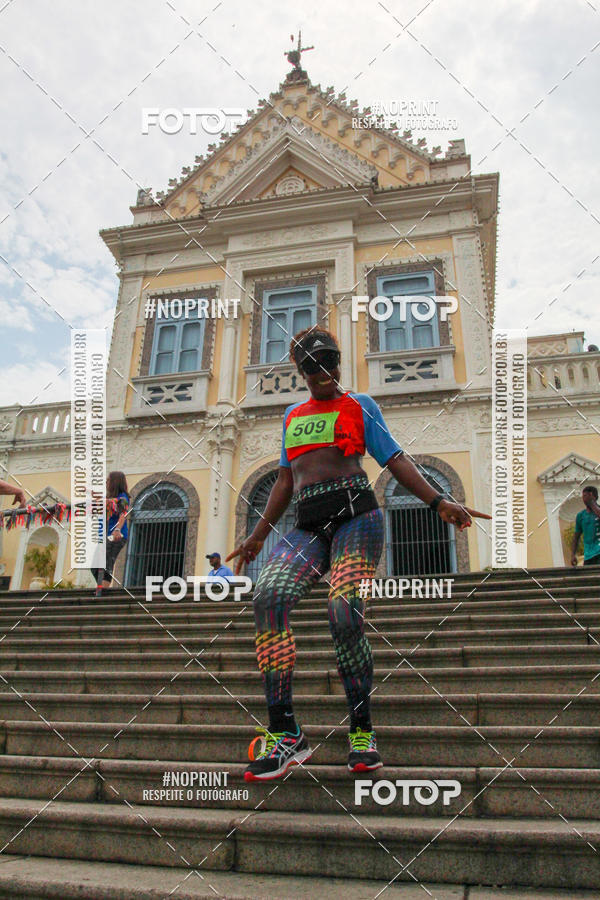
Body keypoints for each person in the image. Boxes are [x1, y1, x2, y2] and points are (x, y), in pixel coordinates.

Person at [227, 327, 490, 782]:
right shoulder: (292, 415)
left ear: (339, 362)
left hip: (356, 517)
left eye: (329, 361)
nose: (322, 371)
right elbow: (286, 482)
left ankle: (362, 731)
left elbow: (395, 459)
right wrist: (256, 535)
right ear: (300, 371)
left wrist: (438, 500)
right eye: (311, 365)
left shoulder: (362, 405)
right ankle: (286, 734)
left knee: (343, 612)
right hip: (308, 524)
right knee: (268, 597)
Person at [91, 472, 130, 597]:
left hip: (117, 534)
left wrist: (118, 529)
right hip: (107, 534)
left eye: (108, 480)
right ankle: (101, 587)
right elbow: (106, 501)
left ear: (114, 482)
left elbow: (123, 514)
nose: (106, 483)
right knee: (94, 565)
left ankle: (102, 590)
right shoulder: (112, 497)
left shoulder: (123, 497)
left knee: (106, 561)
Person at [571, 485, 600, 566]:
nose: (583, 499)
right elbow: (576, 537)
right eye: (583, 496)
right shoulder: (581, 515)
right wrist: (573, 555)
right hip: (588, 555)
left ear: (593, 496)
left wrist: (592, 503)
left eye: (585, 496)